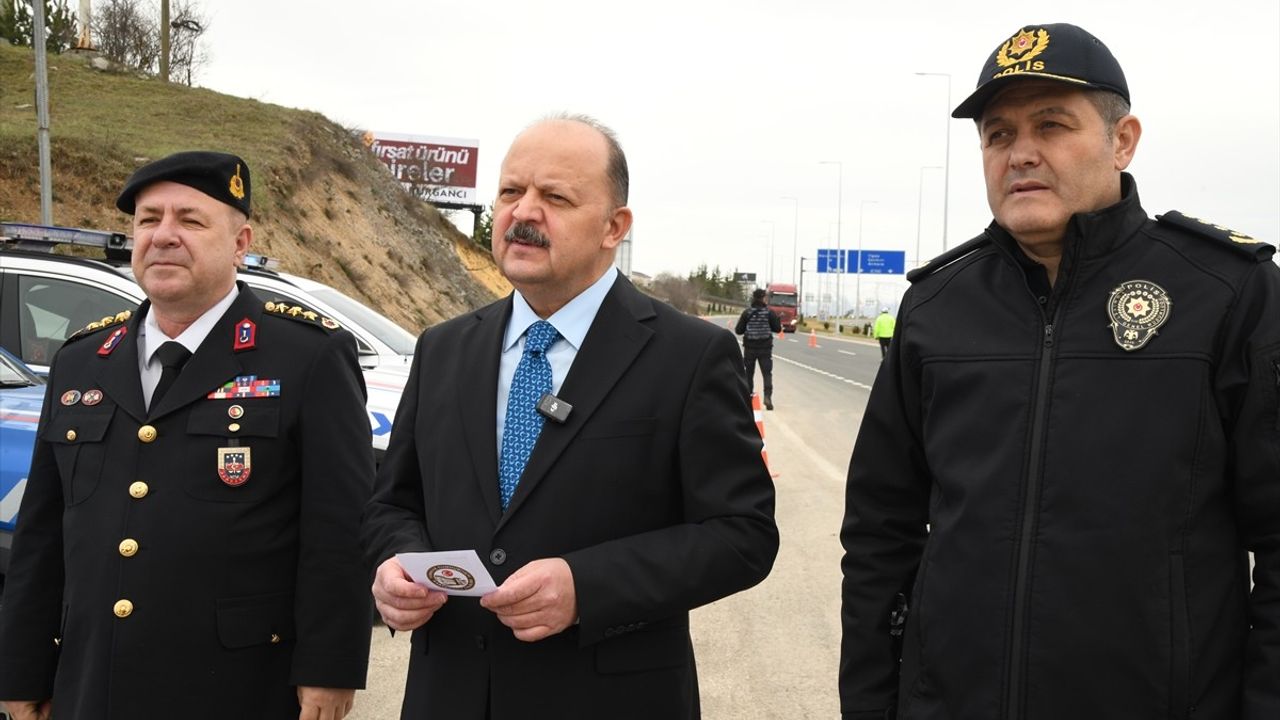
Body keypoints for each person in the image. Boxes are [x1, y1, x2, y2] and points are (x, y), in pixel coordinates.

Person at [839, 23, 1279, 720]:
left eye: (1051, 125)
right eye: (998, 135)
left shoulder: (1225, 292)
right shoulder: (936, 306)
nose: (1021, 154)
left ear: (1123, 140)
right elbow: (878, 534)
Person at [363, 115, 779, 719]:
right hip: (448, 694)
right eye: (511, 192)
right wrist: (395, 565)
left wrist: (588, 587)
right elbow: (392, 504)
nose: (524, 213)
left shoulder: (688, 356)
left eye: (555, 197)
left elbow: (743, 534)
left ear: (615, 227)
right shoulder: (443, 348)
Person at [0, 151, 374, 720]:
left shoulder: (307, 357)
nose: (164, 236)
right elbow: (42, 537)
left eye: (190, 220)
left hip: (239, 684)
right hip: (93, 680)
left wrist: (330, 667)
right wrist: (22, 670)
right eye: (149, 220)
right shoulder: (82, 361)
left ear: (240, 243)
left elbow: (338, 530)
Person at [735, 287, 782, 409]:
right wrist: (776, 320)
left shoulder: (747, 312)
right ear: (763, 298)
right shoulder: (769, 313)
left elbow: (738, 330)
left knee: (748, 374)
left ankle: (748, 399)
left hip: (750, 348)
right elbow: (777, 329)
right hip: (765, 348)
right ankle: (767, 397)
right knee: (767, 373)